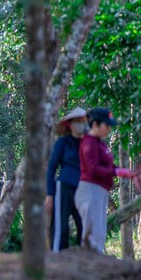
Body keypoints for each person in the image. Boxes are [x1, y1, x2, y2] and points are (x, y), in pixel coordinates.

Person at [73, 108, 135, 254]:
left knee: (99, 232)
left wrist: (124, 172)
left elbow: (108, 165)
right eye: (106, 126)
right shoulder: (89, 143)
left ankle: (96, 261)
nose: (108, 129)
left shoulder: (100, 143)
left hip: (99, 191)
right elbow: (93, 169)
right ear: (95, 124)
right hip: (89, 191)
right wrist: (116, 172)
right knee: (92, 232)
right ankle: (88, 265)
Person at [45, 106, 88, 251]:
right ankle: (56, 258)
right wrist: (50, 195)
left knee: (84, 225)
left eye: (83, 121)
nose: (80, 124)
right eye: (77, 121)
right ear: (69, 124)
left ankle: (83, 257)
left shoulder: (89, 143)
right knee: (61, 227)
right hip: (64, 188)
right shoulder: (63, 143)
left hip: (83, 189)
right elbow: (51, 168)